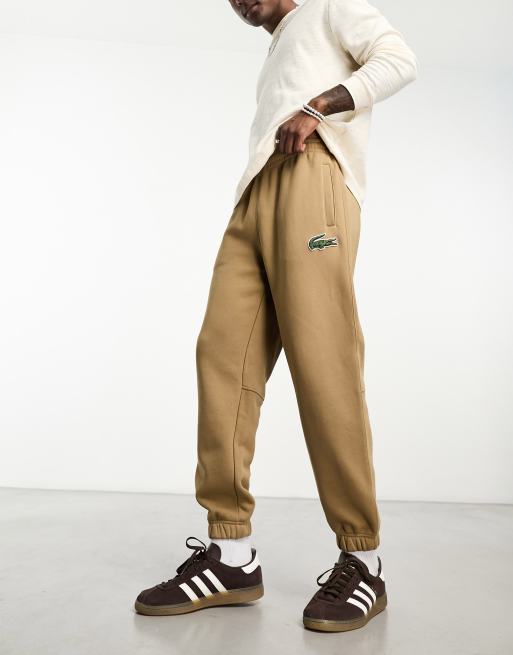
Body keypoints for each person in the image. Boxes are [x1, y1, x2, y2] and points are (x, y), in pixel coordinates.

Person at [135, 0, 417, 632]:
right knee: (222, 360)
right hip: (257, 191)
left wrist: (318, 107)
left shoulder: (330, 7)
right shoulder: (282, 41)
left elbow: (399, 60)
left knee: (323, 365)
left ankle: (363, 559)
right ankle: (232, 555)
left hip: (313, 181)